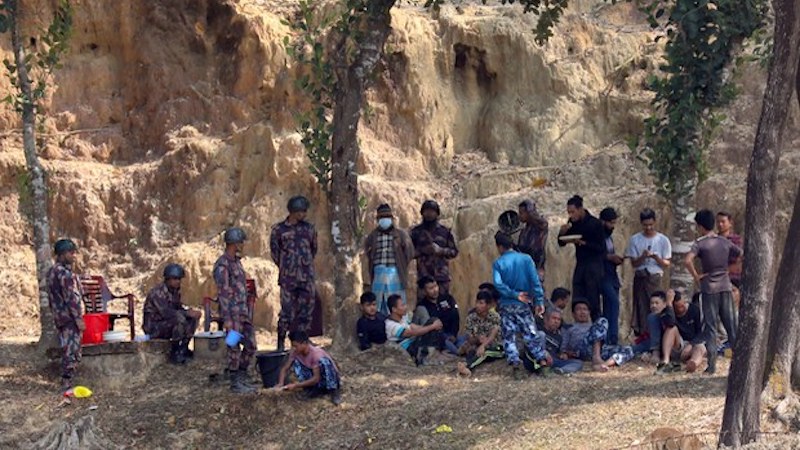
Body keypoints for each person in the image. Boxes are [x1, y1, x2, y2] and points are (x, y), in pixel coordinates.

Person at [684, 209, 742, 374]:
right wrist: (729, 270)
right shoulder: (723, 241)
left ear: (700, 226)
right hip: (725, 285)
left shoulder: (700, 243)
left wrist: (696, 276)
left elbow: (688, 260)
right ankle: (738, 365)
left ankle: (711, 365)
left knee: (710, 327)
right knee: (731, 326)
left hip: (709, 288)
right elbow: (741, 254)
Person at [492, 232, 551, 379]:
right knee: (531, 334)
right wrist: (538, 301)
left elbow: (498, 285)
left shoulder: (498, 263)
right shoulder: (526, 259)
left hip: (507, 305)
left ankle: (516, 367)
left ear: (499, 247)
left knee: (509, 336)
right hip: (524, 304)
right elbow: (535, 281)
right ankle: (543, 364)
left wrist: (512, 294)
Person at [270, 195, 318, 351]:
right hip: (288, 279)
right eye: (300, 211)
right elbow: (275, 252)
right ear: (292, 211)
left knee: (306, 311)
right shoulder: (278, 230)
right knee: (287, 312)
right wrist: (286, 266)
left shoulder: (309, 229)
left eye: (304, 211)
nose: (303, 214)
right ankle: (281, 342)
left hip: (306, 277)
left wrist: (304, 265)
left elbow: (313, 249)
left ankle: (303, 341)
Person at [214, 227, 258, 394]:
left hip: (242, 313)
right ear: (234, 243)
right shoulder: (223, 264)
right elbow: (223, 292)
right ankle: (235, 381)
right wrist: (226, 318)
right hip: (231, 314)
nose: (242, 245)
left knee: (251, 345)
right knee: (233, 346)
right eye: (241, 242)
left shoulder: (237, 262)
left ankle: (242, 374)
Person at [557, 195, 606, 321]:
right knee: (577, 298)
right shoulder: (572, 223)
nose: (571, 215)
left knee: (593, 300)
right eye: (569, 212)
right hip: (580, 264)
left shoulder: (595, 224)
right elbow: (561, 242)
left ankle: (597, 330)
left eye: (573, 212)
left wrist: (584, 243)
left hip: (594, 266)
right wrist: (562, 232)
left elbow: (601, 248)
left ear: (580, 209)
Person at [624, 208, 672, 336]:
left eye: (651, 224)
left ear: (655, 222)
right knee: (641, 308)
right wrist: (643, 256)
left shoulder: (663, 240)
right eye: (645, 225)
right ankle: (642, 334)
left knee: (656, 307)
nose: (648, 227)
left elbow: (667, 263)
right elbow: (634, 263)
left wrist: (656, 258)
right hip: (640, 277)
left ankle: (656, 334)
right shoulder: (635, 239)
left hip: (654, 277)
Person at [143, 263, 201, 364]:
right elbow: (167, 313)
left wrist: (190, 312)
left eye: (179, 279)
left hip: (167, 324)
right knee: (179, 319)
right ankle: (174, 352)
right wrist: (186, 313)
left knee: (192, 319)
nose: (178, 282)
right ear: (168, 279)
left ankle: (183, 348)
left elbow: (178, 308)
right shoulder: (157, 293)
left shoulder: (174, 292)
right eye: (175, 279)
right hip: (154, 327)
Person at [46, 239, 84, 393]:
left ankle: (67, 381)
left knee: (68, 348)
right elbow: (72, 299)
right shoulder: (64, 274)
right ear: (62, 254)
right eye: (70, 252)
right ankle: (66, 384)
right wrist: (79, 319)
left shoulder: (52, 272)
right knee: (72, 350)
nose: (73, 256)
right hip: (68, 318)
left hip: (60, 317)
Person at [364, 203, 415, 316]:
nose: (384, 220)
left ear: (392, 218)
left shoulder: (401, 234)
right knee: (379, 302)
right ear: (377, 219)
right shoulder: (372, 236)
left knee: (397, 303)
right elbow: (368, 253)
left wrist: (401, 263)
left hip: (395, 274)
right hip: (378, 274)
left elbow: (410, 252)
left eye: (387, 217)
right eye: (382, 217)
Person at [559, 298, 634, 372]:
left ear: (589, 312)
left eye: (585, 309)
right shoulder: (569, 327)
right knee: (602, 320)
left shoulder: (594, 326)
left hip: (600, 349)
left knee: (628, 350)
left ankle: (604, 365)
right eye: (578, 309)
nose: (582, 312)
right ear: (573, 314)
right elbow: (563, 348)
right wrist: (566, 353)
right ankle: (596, 357)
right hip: (582, 349)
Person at [276, 331, 342, 405]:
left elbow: (316, 378)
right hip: (314, 375)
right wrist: (280, 383)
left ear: (304, 343)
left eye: (296, 346)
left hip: (325, 377)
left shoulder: (316, 354)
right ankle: (315, 389)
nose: (294, 348)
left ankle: (333, 390)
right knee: (296, 362)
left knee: (323, 362)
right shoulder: (295, 352)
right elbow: (285, 368)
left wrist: (296, 385)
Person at [410, 200, 459, 295]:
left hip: (441, 278)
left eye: (432, 211)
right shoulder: (416, 232)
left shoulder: (445, 232)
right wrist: (423, 250)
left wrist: (441, 250)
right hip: (424, 278)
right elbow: (410, 253)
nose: (429, 214)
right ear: (422, 213)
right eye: (426, 211)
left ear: (437, 213)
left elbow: (454, 252)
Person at [385, 294, 445, 366]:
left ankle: (430, 356)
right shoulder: (391, 325)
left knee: (433, 321)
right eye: (402, 305)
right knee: (431, 326)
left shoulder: (402, 318)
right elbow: (411, 332)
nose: (405, 307)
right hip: (407, 349)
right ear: (394, 309)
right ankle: (423, 359)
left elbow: (414, 327)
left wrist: (431, 327)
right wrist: (432, 327)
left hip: (414, 342)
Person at [457, 291, 504, 376]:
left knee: (485, 352)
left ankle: (467, 367)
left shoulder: (494, 317)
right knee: (471, 350)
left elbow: (494, 333)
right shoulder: (471, 318)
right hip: (478, 346)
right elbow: (469, 337)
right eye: (477, 302)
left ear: (489, 305)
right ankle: (465, 365)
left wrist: (483, 345)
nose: (477, 305)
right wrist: (477, 339)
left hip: (496, 347)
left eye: (481, 303)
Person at [412, 276, 462, 354]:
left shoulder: (448, 299)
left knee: (464, 339)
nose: (435, 290)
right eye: (431, 288)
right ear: (424, 291)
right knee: (451, 347)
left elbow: (456, 317)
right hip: (438, 339)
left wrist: (454, 334)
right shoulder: (422, 307)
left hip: (452, 335)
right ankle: (457, 352)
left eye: (435, 286)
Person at [599, 207, 623, 345]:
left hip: (612, 275)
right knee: (612, 304)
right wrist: (609, 257)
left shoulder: (609, 237)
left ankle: (610, 339)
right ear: (603, 221)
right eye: (610, 223)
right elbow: (595, 254)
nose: (612, 226)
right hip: (602, 276)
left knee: (612, 307)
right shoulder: (598, 236)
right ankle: (610, 339)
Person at [539, 307, 583, 374]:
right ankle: (543, 367)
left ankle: (560, 370)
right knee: (541, 335)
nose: (556, 321)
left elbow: (559, 353)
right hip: (536, 360)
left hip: (552, 361)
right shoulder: (538, 329)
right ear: (546, 319)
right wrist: (544, 354)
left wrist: (562, 355)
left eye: (559, 319)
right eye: (554, 318)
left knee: (578, 363)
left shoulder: (559, 336)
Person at [675, 292, 708, 373]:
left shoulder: (694, 310)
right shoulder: (670, 315)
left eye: (684, 304)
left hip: (695, 342)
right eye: (680, 307)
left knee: (699, 348)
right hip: (680, 344)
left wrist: (691, 344)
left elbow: (701, 332)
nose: (684, 308)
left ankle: (693, 363)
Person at [517, 199, 549, 281]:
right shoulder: (524, 230)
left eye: (522, 213)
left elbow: (542, 222)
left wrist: (531, 213)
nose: (519, 216)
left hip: (537, 262)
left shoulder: (540, 225)